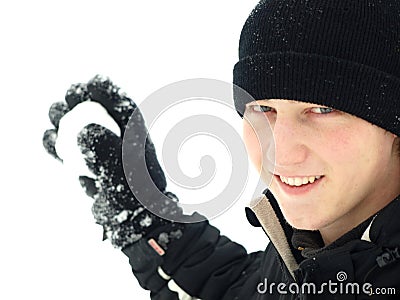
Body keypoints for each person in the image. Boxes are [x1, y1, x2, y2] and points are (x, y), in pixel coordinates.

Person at [43, 0, 400, 299]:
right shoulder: (321, 254)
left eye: (323, 109)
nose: (283, 152)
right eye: (263, 108)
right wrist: (144, 218)